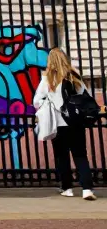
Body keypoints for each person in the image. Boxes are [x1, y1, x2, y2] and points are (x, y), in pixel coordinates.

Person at [34, 48, 97, 200]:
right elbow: (85, 96)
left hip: (58, 122)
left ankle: (67, 187)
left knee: (61, 156)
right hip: (75, 122)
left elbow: (36, 101)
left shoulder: (48, 79)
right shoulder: (74, 76)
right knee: (80, 155)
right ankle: (87, 188)